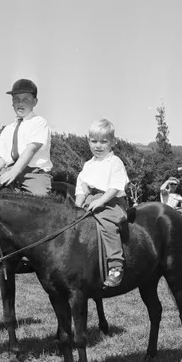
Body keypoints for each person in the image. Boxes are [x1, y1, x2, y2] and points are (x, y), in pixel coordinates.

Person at [74, 118, 129, 288]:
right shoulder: (88, 165)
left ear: (113, 142)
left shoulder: (115, 163)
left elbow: (114, 188)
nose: (98, 146)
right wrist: (76, 208)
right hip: (91, 201)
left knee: (107, 223)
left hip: (111, 202)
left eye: (104, 142)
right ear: (88, 141)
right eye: (94, 141)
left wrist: (100, 201)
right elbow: (81, 190)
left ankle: (115, 265)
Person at [0, 79, 53, 195]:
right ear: (12, 103)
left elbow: (31, 150)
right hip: (7, 172)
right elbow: (0, 158)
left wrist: (14, 172)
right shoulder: (8, 129)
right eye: (16, 99)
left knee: (38, 204)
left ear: (35, 102)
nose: (20, 103)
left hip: (33, 174)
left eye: (25, 99)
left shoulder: (39, 122)